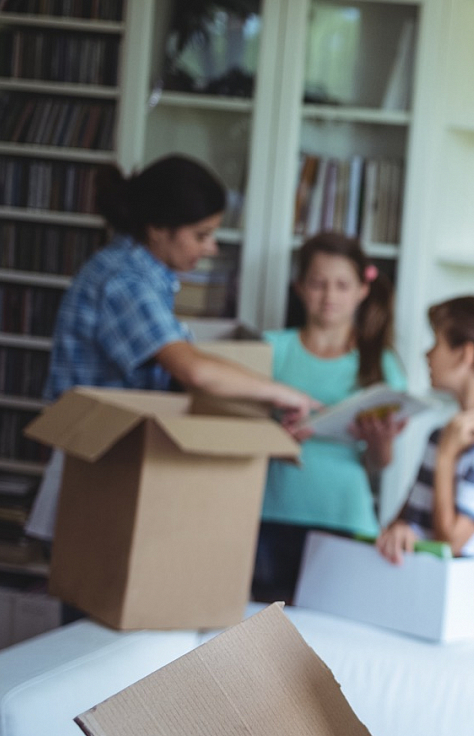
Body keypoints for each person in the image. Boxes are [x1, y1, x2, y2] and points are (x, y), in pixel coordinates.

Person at [28, 155, 317, 540]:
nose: (212, 248)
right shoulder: (125, 281)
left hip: (108, 463)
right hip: (96, 470)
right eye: (201, 235)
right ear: (158, 229)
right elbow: (192, 369)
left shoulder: (142, 275)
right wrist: (283, 392)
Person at [253, 233, 408, 599]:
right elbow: (240, 433)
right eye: (317, 284)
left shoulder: (382, 364)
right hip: (269, 514)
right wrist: (277, 434)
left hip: (346, 518)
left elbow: (380, 463)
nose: (329, 296)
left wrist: (379, 441)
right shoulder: (271, 349)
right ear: (299, 287)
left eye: (342, 285)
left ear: (361, 291)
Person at [377, 297, 474, 591]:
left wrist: (446, 458)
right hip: (411, 598)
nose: (427, 354)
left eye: (436, 342)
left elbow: (449, 543)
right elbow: (402, 523)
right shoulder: (441, 436)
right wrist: (399, 530)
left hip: (460, 623)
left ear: (465, 353)